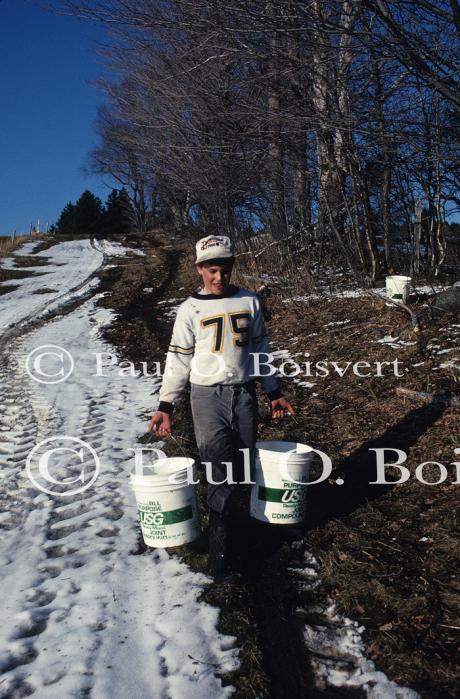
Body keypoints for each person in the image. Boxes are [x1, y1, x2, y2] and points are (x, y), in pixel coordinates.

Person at [148, 234, 295, 582]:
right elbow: (177, 360)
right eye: (212, 270)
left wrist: (273, 391)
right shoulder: (190, 310)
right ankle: (221, 556)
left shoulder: (248, 301)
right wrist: (166, 405)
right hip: (206, 397)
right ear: (199, 269)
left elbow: (261, 349)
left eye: (225, 270)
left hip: (243, 395)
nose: (219, 278)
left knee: (243, 467)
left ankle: (246, 538)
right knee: (218, 470)